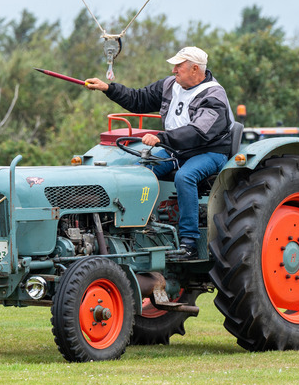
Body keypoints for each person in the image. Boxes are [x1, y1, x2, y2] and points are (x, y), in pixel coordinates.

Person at [85, 46, 234, 259]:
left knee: (186, 176)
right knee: (140, 173)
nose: (174, 70)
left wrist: (162, 138)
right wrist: (108, 88)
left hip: (209, 152)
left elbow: (198, 133)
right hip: (177, 150)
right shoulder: (169, 85)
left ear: (194, 69)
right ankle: (139, 231)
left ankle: (189, 243)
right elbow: (138, 99)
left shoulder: (213, 95)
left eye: (178, 66)